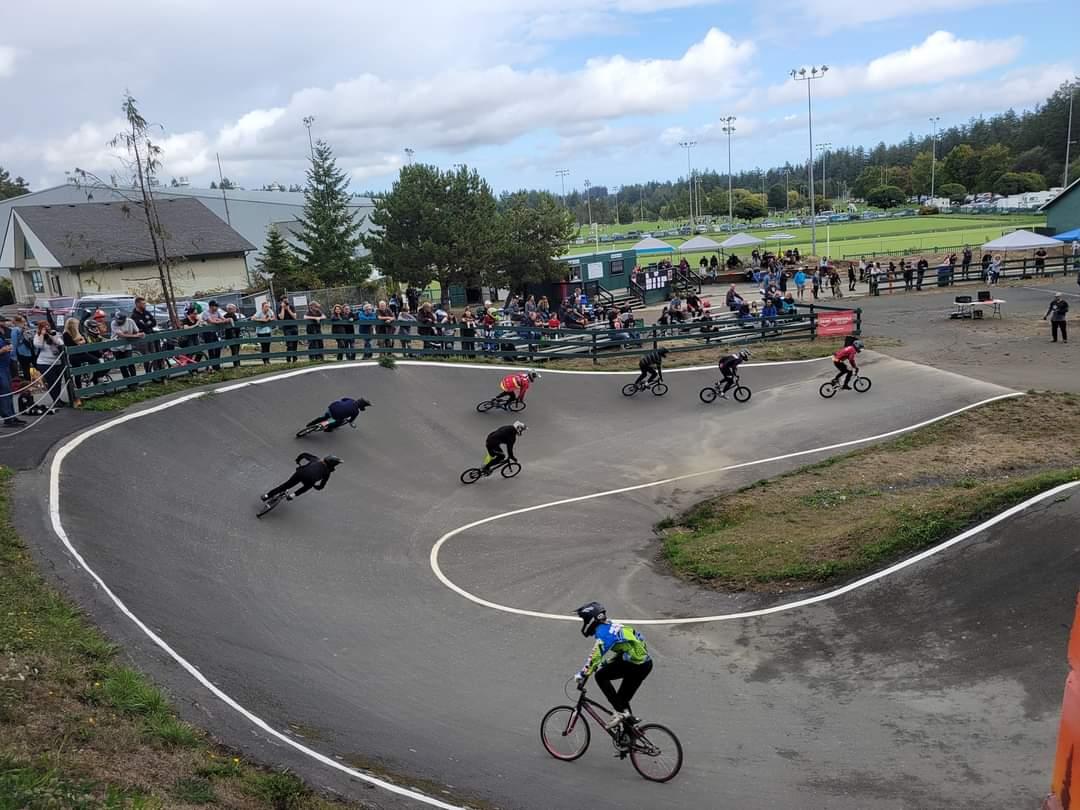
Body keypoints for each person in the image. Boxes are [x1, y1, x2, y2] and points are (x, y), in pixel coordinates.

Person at [573, 601, 652, 729]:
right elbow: (626, 647)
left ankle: (621, 713)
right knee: (621, 700)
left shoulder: (603, 632)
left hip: (635, 664)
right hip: (644, 663)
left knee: (600, 676)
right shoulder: (610, 625)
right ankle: (629, 735)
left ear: (591, 619)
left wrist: (582, 673)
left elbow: (595, 656)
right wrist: (605, 663)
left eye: (584, 619)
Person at [262, 453, 342, 502]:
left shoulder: (316, 460)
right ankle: (292, 495)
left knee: (286, 485)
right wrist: (316, 487)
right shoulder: (327, 472)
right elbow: (322, 484)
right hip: (310, 480)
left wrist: (298, 460)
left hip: (301, 473)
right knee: (306, 487)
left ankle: (267, 495)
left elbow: (304, 454)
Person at [33, 320, 67, 410]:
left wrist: (51, 336)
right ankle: (56, 400)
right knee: (52, 381)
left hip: (57, 362)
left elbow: (60, 343)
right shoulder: (38, 336)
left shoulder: (54, 333)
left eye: (48, 326)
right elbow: (38, 345)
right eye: (44, 326)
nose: (47, 327)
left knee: (58, 382)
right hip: (44, 363)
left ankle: (58, 399)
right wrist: (42, 335)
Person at [0, 325, 25, 426]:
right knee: (4, 392)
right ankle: (8, 418)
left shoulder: (3, 334)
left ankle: (12, 416)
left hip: (5, 366)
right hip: (1, 367)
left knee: (9, 392)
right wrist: (2, 350)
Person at [305, 396, 372, 432]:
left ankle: (309, 424)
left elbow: (343, 399)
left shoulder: (351, 400)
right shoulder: (356, 412)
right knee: (337, 422)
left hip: (331, 408)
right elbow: (351, 420)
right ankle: (327, 429)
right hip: (335, 416)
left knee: (323, 417)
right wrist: (351, 422)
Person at [252, 300, 276, 365]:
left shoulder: (270, 311)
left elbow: (274, 317)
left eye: (268, 306)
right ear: (262, 307)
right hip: (261, 332)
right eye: (266, 307)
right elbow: (253, 318)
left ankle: (268, 360)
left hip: (268, 331)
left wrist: (271, 319)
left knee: (268, 346)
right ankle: (264, 361)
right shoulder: (259, 312)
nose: (267, 308)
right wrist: (262, 320)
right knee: (264, 346)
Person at [277, 296, 298, 363]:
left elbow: (294, 317)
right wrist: (283, 308)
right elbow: (281, 317)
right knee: (289, 344)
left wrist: (288, 309)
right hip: (286, 328)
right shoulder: (280, 308)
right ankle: (288, 359)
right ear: (282, 302)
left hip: (294, 327)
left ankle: (295, 358)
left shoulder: (291, 307)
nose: (286, 302)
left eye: (287, 301)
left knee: (295, 343)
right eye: (285, 301)